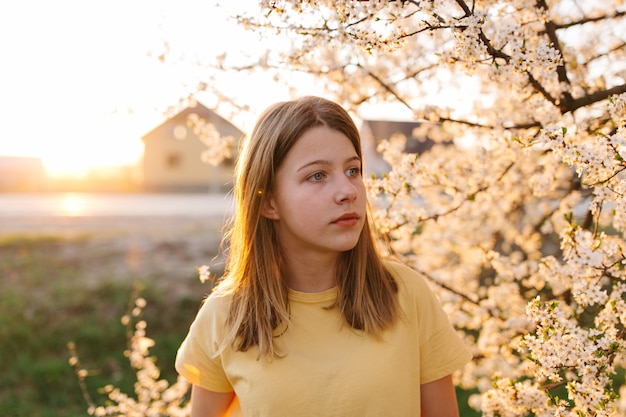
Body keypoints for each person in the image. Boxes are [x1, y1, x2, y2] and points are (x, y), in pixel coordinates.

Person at [175, 96, 472, 417]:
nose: (349, 190)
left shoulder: (406, 295)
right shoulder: (226, 316)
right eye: (317, 175)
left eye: (353, 170)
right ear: (268, 202)